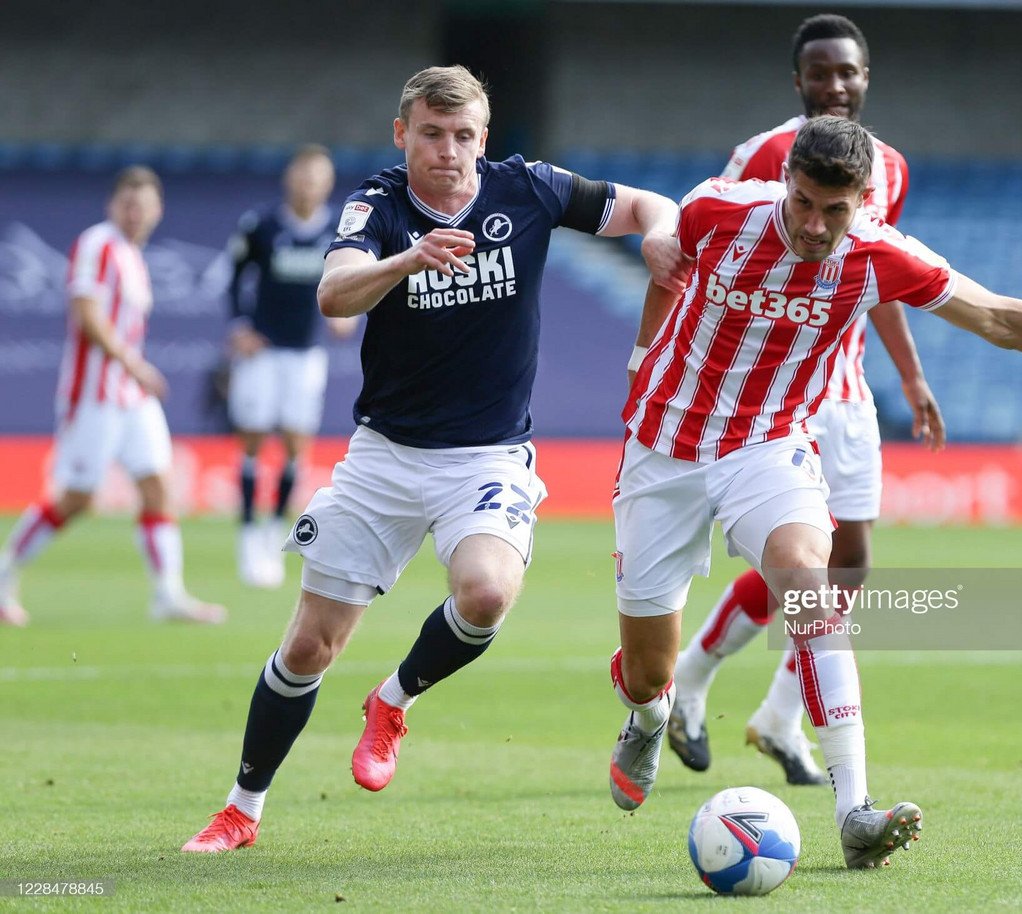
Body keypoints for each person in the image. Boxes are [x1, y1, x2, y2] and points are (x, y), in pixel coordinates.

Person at [608, 116, 1022, 869]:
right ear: (785, 182)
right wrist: (640, 356)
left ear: (864, 201)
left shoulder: (878, 254)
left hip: (766, 445)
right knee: (646, 671)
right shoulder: (721, 209)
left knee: (810, 585)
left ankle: (855, 809)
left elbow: (996, 316)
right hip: (661, 449)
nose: (814, 226)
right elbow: (668, 255)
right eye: (802, 203)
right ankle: (650, 715)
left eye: (836, 211)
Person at [182, 65, 683, 852]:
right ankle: (242, 808)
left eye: (463, 137)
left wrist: (658, 234)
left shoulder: (530, 188)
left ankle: (393, 702)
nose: (447, 152)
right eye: (431, 135)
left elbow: (651, 206)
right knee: (310, 645)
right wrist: (405, 262)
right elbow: (335, 293)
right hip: (385, 455)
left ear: (484, 139)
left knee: (486, 594)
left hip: (487, 457)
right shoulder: (377, 205)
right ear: (402, 134)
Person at [669, 13, 943, 787]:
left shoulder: (889, 167)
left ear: (865, 77)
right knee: (803, 562)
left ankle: (779, 715)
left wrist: (912, 377)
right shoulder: (764, 154)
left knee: (850, 563)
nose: (834, 85)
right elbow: (711, 259)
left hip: (848, 390)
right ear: (798, 82)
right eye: (820, 72)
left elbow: (880, 272)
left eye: (847, 71)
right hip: (779, 390)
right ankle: (692, 676)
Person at [0, 167, 226, 627]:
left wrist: (132, 373)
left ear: (158, 210)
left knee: (158, 486)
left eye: (143, 204)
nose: (135, 212)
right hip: (94, 394)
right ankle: (5, 572)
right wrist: (133, 363)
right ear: (112, 205)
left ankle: (168, 594)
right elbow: (87, 314)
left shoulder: (132, 255)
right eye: (128, 202)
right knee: (78, 498)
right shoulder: (97, 244)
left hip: (129, 396)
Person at [225, 145, 356, 588]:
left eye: (318, 177)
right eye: (302, 176)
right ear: (290, 179)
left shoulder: (340, 230)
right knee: (254, 438)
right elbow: (232, 276)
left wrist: (347, 312)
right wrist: (239, 324)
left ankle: (272, 535)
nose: (308, 185)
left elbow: (353, 276)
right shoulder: (261, 225)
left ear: (327, 183)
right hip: (262, 350)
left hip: (305, 353)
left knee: (297, 443)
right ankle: (247, 529)